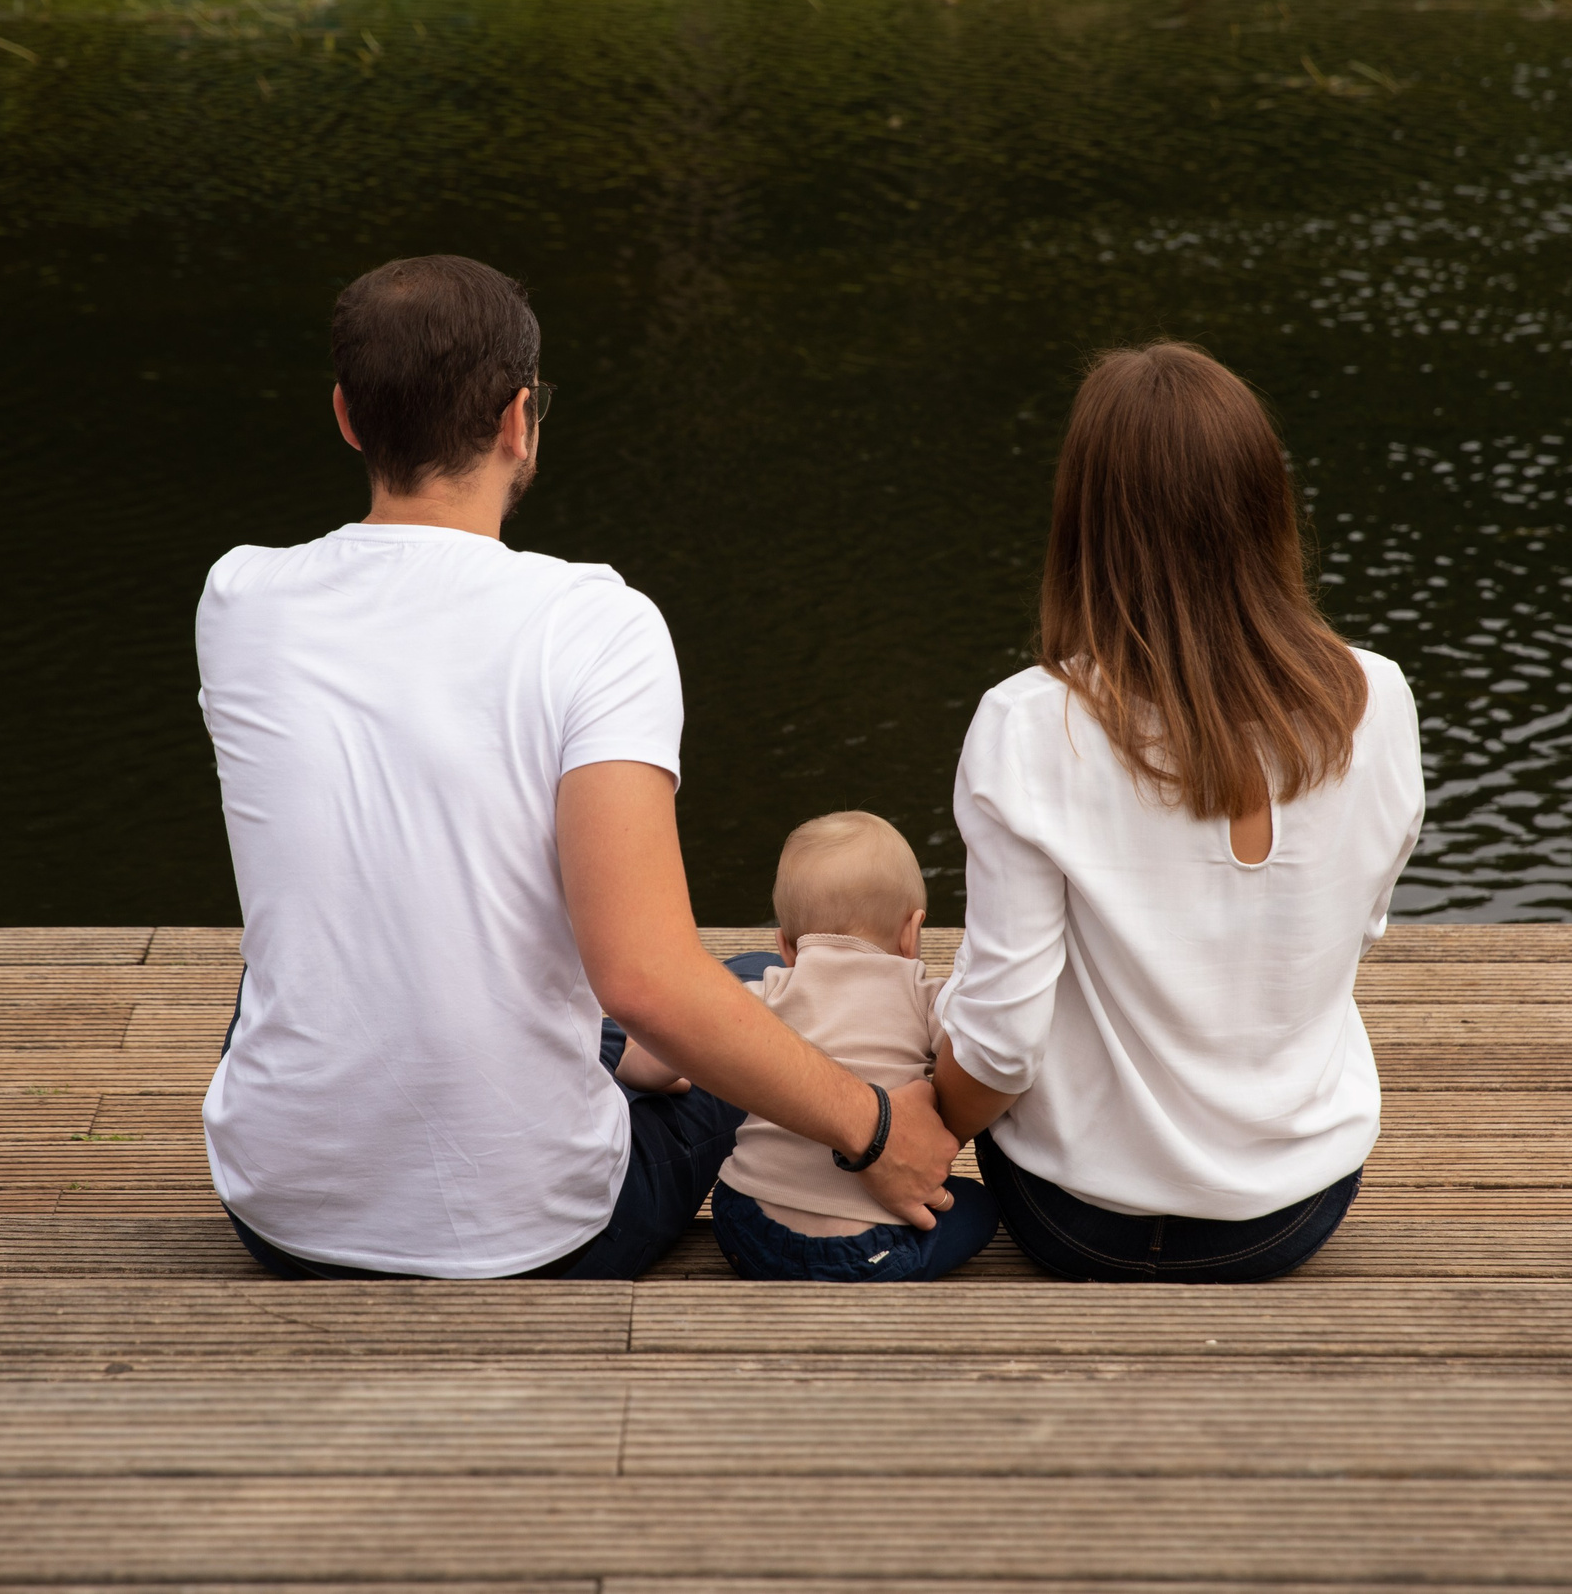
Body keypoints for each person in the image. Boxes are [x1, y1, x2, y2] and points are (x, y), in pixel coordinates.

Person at [196, 255, 959, 1281]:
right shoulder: (596, 624)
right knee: (749, 990)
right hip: (546, 1230)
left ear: (346, 416)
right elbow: (643, 979)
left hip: (283, 1211)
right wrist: (872, 1126)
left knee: (314, 937)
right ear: (519, 419)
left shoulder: (239, 601)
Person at [930, 341, 1424, 1283]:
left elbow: (999, 1044)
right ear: (1265, 507)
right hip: (1293, 1211)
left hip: (1071, 1219)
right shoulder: (1379, 699)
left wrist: (911, 1130)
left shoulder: (1031, 724)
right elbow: (1351, 933)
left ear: (1085, 521)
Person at [691, 813, 1001, 1282]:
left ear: (785, 946)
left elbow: (655, 1055)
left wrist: (651, 1070)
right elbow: (982, 1053)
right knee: (978, 1207)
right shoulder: (925, 997)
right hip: (864, 1250)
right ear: (911, 933)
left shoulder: (770, 990)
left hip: (745, 1227)